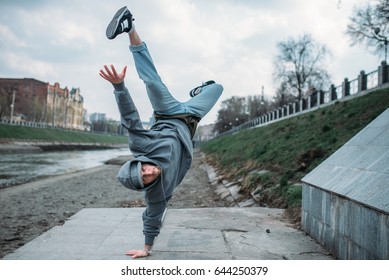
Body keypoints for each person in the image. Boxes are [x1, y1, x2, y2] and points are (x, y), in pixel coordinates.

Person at [99, 6, 223, 259]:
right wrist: (146, 249)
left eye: (142, 168)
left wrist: (119, 87)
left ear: (139, 162)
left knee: (152, 82)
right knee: (218, 87)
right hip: (191, 119)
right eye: (145, 177)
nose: (149, 171)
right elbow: (152, 216)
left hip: (168, 112)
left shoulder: (141, 148)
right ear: (145, 185)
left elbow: (130, 118)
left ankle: (129, 26)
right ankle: (202, 91)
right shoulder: (158, 191)